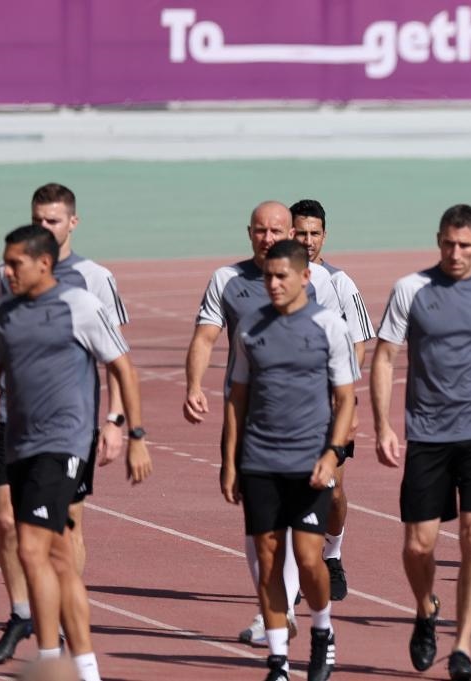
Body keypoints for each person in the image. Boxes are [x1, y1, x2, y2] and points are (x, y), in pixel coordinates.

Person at [0, 225, 152, 681]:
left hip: (65, 442)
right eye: (6, 262)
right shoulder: (8, 312)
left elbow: (123, 368)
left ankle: (50, 659)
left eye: (16, 263)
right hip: (20, 441)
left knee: (32, 547)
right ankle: (86, 667)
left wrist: (133, 434)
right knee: (58, 559)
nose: (7, 271)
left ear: (44, 263)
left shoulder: (79, 305)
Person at [371, 204, 471, 681]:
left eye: (464, 245)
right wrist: (383, 426)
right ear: (438, 241)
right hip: (427, 434)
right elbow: (384, 358)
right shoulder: (411, 289)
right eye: (447, 244)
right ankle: (426, 608)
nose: (455, 253)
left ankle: (462, 647)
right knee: (418, 547)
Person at [0, 183, 131, 665]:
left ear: (72, 223)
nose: (44, 227)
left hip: (70, 427)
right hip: (15, 418)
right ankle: (22, 613)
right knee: (7, 521)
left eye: (53, 220)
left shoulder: (94, 278)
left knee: (65, 533)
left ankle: (63, 621)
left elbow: (116, 357)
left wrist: (116, 420)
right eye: (38, 219)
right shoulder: (8, 273)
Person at [182, 200, 344, 646]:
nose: (267, 238)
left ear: (290, 233)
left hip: (308, 423)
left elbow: (342, 346)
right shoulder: (227, 280)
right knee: (261, 529)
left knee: (300, 530)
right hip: (251, 422)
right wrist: (194, 385)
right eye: (259, 230)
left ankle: (292, 607)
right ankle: (275, 610)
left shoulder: (320, 281)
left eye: (276, 231)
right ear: (249, 232)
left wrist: (340, 414)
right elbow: (205, 336)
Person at [221, 239, 357, 681]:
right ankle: (278, 660)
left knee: (309, 556)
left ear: (305, 276)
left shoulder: (328, 327)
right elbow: (237, 398)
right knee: (268, 556)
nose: (274, 284)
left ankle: (322, 630)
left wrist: (333, 454)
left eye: (283, 276)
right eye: (268, 276)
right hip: (260, 460)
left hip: (310, 461)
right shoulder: (251, 327)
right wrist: (230, 461)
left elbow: (345, 398)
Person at [291, 199, 377, 601]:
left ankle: (333, 553)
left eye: (314, 233)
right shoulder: (274, 281)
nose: (308, 241)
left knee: (333, 490)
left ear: (324, 236)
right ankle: (292, 576)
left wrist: (340, 385)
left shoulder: (340, 283)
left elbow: (360, 342)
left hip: (331, 406)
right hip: (287, 407)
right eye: (300, 233)